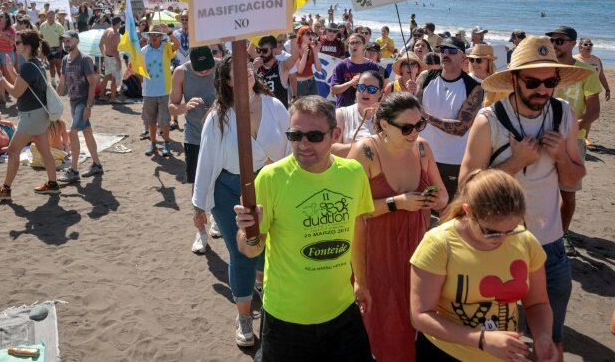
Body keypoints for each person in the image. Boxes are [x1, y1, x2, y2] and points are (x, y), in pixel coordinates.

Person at [459, 36, 590, 356]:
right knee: (496, 341)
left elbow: (574, 178)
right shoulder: (489, 121)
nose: (543, 90)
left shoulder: (563, 115)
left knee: (550, 339)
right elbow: (466, 187)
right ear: (514, 80)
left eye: (551, 82)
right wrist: (515, 162)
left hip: (548, 246)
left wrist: (560, 156)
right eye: (533, 82)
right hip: (494, 246)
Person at [234, 96, 374, 360]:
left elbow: (358, 229)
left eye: (313, 135)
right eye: (295, 135)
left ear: (335, 134)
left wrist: (362, 283)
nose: (303, 144)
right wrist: (248, 232)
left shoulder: (353, 173)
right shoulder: (271, 178)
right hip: (286, 320)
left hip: (342, 311)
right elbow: (251, 251)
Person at [192, 55, 290, 346]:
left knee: (265, 248)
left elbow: (290, 144)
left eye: (248, 67)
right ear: (226, 81)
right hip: (229, 191)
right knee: (241, 253)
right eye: (237, 70)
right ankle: (244, 316)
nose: (246, 71)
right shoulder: (219, 115)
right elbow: (206, 162)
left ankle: (259, 284)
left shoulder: (274, 106)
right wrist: (199, 205)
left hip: (269, 187)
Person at [410, 169, 557, 361]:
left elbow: (537, 303)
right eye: (491, 232)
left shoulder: (526, 242)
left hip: (503, 356)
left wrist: (543, 336)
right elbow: (421, 316)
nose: (502, 239)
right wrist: (481, 340)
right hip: (446, 353)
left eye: (511, 231)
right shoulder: (439, 244)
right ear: (469, 211)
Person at [348, 93, 448, 361]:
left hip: (417, 250)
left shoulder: (423, 148)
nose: (414, 133)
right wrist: (397, 203)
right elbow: (351, 210)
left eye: (420, 125)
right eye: (406, 127)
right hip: (376, 253)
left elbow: (445, 197)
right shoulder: (365, 152)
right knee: (382, 322)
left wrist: (436, 198)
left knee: (413, 317)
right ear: (383, 124)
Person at [545, 26, 603, 257]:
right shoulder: (545, 66)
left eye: (560, 40)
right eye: (552, 40)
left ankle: (562, 234)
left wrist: (569, 131)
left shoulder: (586, 71)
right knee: (540, 189)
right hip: (541, 138)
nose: (555, 44)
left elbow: (594, 112)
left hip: (573, 142)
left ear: (572, 44)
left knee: (567, 193)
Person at [0, 30, 61, 200]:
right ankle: (52, 184)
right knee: (44, 151)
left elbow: (16, 92)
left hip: (31, 116)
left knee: (13, 150)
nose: (15, 45)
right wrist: (11, 71)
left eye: (18, 42)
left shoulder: (29, 65)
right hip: (39, 114)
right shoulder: (36, 63)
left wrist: (0, 77)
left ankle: (5, 189)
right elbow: (24, 85)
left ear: (27, 46)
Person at [415, 37, 483, 199]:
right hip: (421, 156)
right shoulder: (425, 77)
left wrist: (427, 117)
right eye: (442, 50)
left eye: (452, 51)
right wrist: (410, 94)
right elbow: (415, 111)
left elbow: (460, 128)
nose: (445, 54)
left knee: (447, 211)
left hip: (452, 161)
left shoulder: (474, 88)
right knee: (421, 207)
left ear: (463, 58)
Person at [167, 46, 219, 253]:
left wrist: (219, 104)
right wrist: (185, 107)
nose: (206, 73)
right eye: (201, 71)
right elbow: (172, 106)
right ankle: (201, 232)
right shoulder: (181, 72)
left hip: (221, 134)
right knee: (197, 185)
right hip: (194, 136)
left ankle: (216, 218)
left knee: (221, 179)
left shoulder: (222, 66)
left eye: (208, 69)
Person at [56, 30, 104, 183]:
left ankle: (74, 170)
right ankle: (97, 164)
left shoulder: (85, 60)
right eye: (64, 41)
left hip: (83, 102)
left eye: (68, 40)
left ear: (76, 41)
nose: (66, 43)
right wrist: (54, 98)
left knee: (72, 132)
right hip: (73, 101)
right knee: (87, 132)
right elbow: (62, 82)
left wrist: (89, 105)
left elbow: (92, 83)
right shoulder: (65, 60)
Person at [141, 25, 179, 157]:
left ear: (160, 37)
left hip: (164, 91)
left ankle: (167, 143)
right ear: (149, 37)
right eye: (151, 35)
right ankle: (153, 144)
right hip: (148, 92)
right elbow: (136, 67)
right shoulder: (143, 51)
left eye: (156, 35)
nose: (154, 37)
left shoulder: (166, 48)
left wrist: (168, 31)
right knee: (151, 121)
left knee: (164, 121)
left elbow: (177, 44)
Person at [332, 70, 385, 157]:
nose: (365, 92)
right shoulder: (341, 114)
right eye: (361, 88)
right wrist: (365, 145)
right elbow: (332, 149)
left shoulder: (388, 117)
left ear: (380, 93)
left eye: (372, 89)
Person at [329, 33, 380, 108]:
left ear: (364, 45)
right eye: (352, 43)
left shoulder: (372, 66)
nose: (354, 45)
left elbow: (378, 90)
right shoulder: (341, 65)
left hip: (365, 108)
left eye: (358, 42)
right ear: (348, 46)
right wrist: (350, 83)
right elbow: (333, 90)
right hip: (344, 108)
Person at [252, 36, 297, 108]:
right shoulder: (256, 67)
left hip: (279, 114)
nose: (261, 54)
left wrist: (292, 36)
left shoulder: (281, 66)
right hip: (263, 114)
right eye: (258, 50)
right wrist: (253, 69)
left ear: (274, 51)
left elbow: (294, 57)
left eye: (264, 51)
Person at [0, 13, 17, 104]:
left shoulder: (10, 29)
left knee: (8, 76)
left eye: (2, 17)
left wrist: (1, 32)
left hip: (6, 54)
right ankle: (2, 98)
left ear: (7, 20)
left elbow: (11, 41)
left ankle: (18, 95)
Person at [293, 26, 322, 100]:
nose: (310, 36)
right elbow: (299, 70)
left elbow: (319, 68)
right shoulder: (295, 49)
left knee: (315, 106)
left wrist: (315, 53)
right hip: (300, 83)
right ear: (301, 36)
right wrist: (305, 54)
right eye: (308, 33)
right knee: (303, 108)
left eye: (311, 33)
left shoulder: (311, 49)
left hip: (312, 81)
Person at [98, 16, 122, 104]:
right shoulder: (116, 34)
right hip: (113, 57)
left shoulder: (107, 30)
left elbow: (100, 45)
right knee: (114, 78)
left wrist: (104, 56)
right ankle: (112, 98)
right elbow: (114, 50)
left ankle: (101, 95)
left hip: (107, 56)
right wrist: (119, 61)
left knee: (106, 77)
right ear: (118, 23)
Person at [39, 10, 65, 87]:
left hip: (57, 48)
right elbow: (41, 37)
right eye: (49, 15)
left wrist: (61, 46)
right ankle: (53, 80)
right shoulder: (42, 25)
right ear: (47, 16)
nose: (50, 17)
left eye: (52, 15)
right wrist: (42, 47)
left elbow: (62, 36)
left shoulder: (58, 25)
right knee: (51, 64)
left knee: (58, 65)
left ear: (55, 16)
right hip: (47, 48)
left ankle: (61, 81)